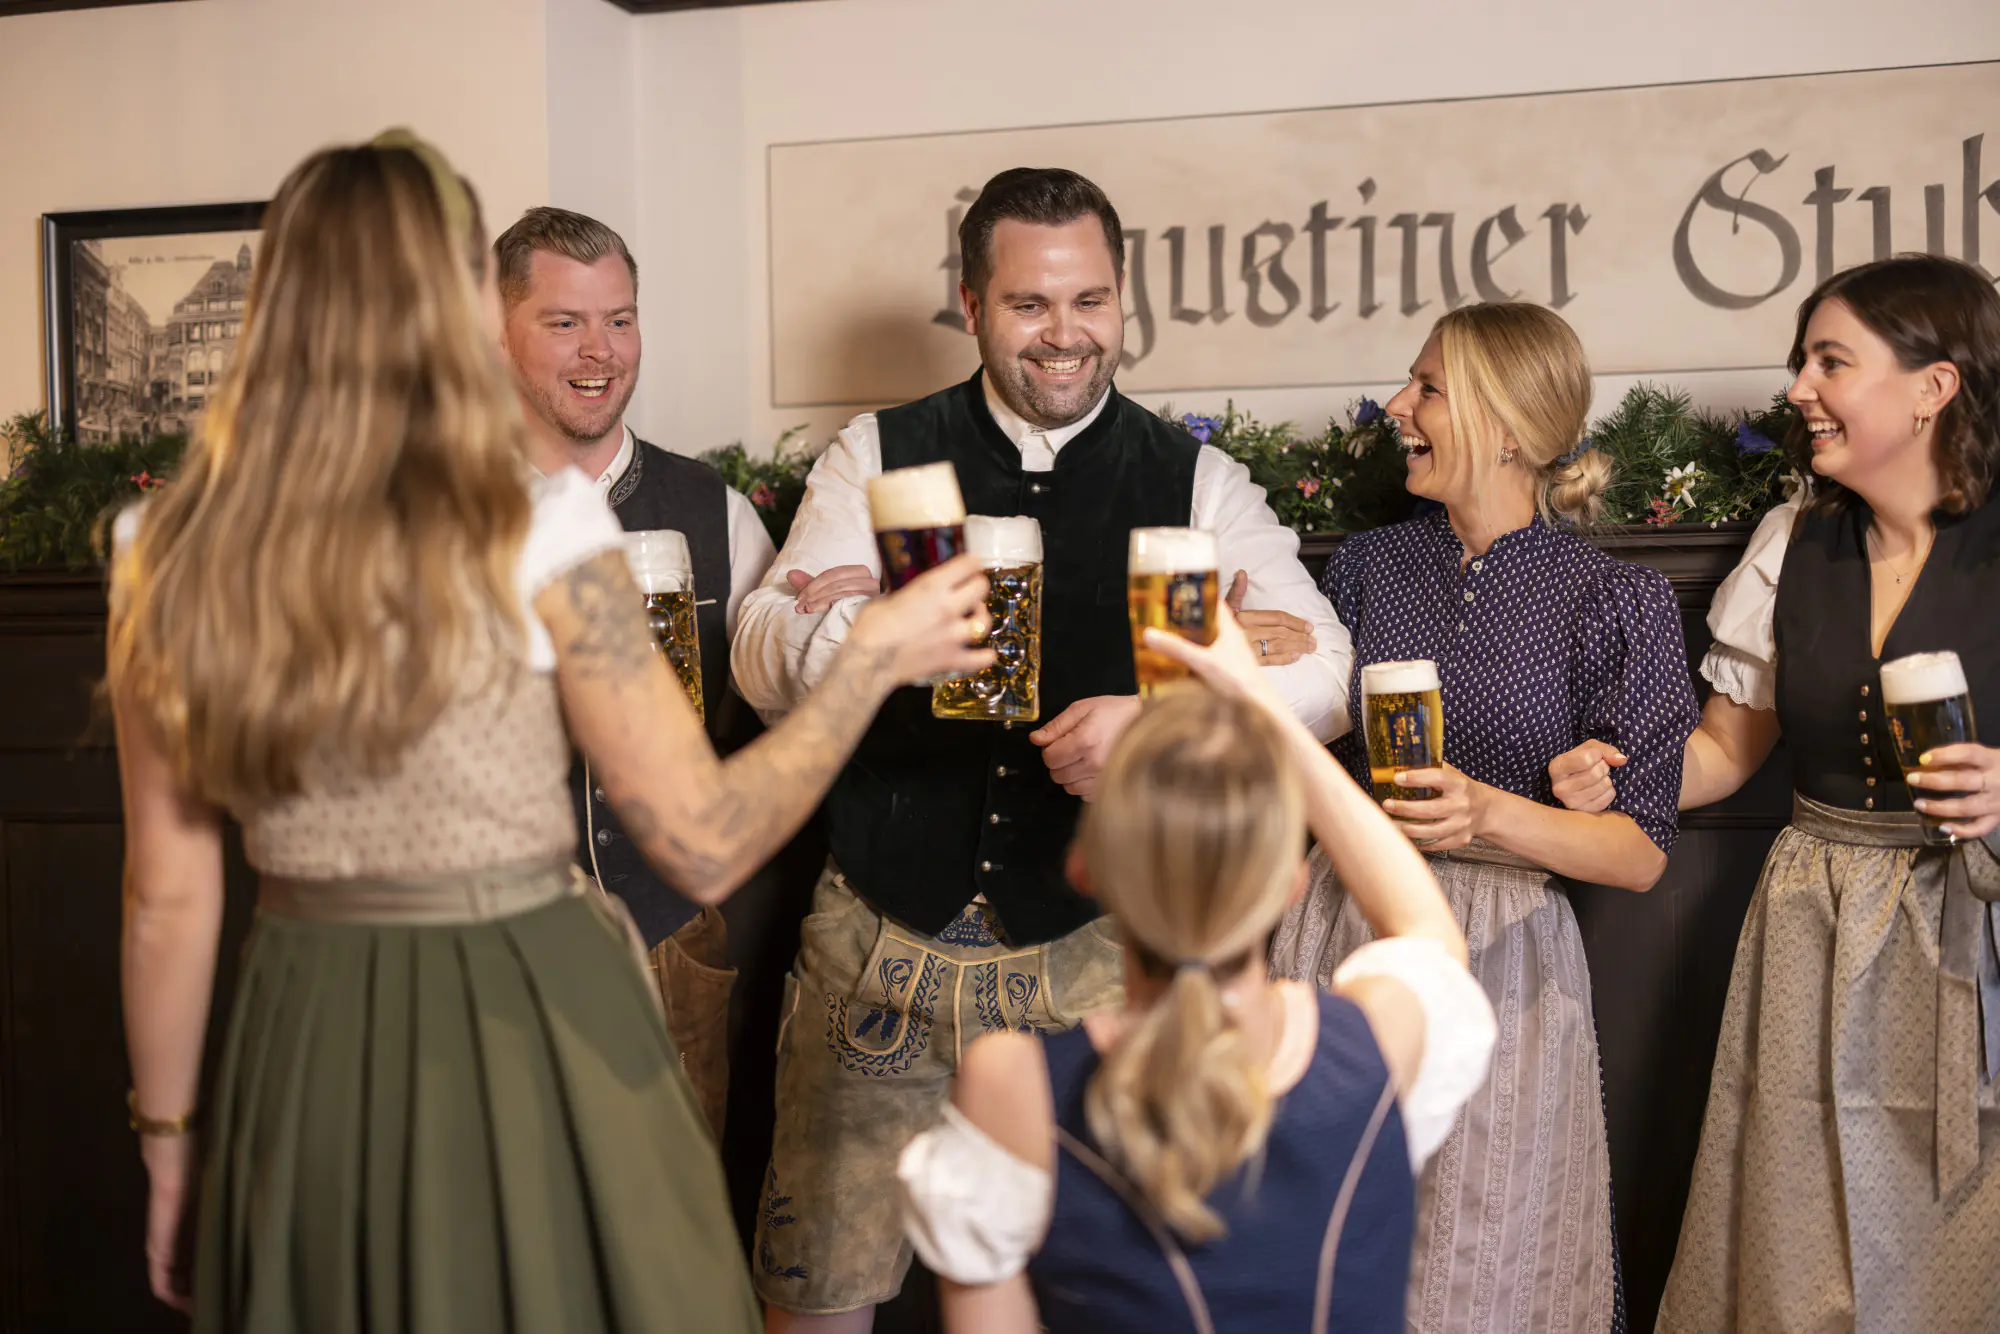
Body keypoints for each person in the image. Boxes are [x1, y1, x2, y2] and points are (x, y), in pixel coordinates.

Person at [105, 131, 995, 1332]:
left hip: (300, 1018)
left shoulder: (159, 547)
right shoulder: (540, 521)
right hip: (523, 1004)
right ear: (461, 300)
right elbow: (703, 837)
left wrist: (168, 1136)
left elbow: (165, 895)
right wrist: (876, 657)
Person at [730, 165, 1353, 1331]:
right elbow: (759, 654)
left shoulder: (1194, 477)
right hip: (876, 939)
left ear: (1120, 300)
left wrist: (1162, 712)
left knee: (1102, 1295)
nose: (1065, 336)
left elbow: (1328, 669)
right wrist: (866, 632)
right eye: (1029, 305)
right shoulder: (876, 454)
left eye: (1090, 301)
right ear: (971, 307)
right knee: (816, 1286)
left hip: (1089, 961)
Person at [1546, 254, 2000, 1331]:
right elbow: (1720, 749)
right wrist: (1618, 773)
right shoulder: (1791, 542)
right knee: (1801, 1224)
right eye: (1802, 358)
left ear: (1931, 386)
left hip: (1973, 929)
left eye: (1829, 360)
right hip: (1815, 919)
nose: (1797, 385)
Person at [1271, 302, 1699, 1334]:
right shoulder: (1368, 568)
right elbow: (1315, 746)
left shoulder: (1615, 600)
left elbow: (1637, 851)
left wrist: (1491, 812)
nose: (1395, 405)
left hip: (1501, 958)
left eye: (1426, 387)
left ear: (1508, 425)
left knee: (1482, 1258)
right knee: (1318, 1247)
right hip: (1340, 928)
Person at [896, 604, 1498, 1334]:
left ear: (1086, 870)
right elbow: (1425, 930)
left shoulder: (1011, 1083)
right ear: (1289, 881)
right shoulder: (1375, 1040)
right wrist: (1262, 711)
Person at [494, 205, 787, 1185]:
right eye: (564, 321)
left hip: (669, 945)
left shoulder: (714, 510)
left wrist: (836, 626)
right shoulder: (443, 511)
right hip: (492, 953)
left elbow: (780, 705)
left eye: (618, 319)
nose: (599, 350)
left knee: (671, 1241)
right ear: (500, 331)